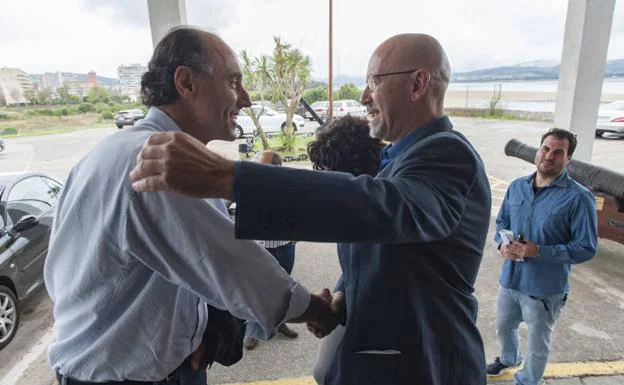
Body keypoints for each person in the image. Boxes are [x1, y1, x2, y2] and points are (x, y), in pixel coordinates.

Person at [130, 33, 492, 385]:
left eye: (373, 81)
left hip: (421, 369)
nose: (364, 96)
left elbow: (385, 209)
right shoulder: (399, 158)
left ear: (418, 84)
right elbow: (385, 247)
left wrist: (231, 178)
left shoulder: (446, 154)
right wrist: (342, 295)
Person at [44, 27, 339, 385]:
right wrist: (317, 309)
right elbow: (239, 271)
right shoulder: (157, 165)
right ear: (185, 83)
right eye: (234, 82)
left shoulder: (109, 151)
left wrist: (194, 331)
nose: (245, 99)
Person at [486, 128, 598, 385]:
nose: (549, 156)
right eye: (545, 148)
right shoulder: (517, 187)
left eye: (558, 152)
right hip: (510, 280)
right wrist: (501, 245)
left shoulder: (579, 198)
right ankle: (508, 358)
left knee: (538, 344)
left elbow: (586, 247)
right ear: (538, 151)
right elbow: (502, 221)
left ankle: (527, 381)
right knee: (504, 327)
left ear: (568, 158)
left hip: (544, 289)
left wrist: (538, 251)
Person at [306, 115, 385, 384]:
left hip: (386, 324)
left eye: (329, 171)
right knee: (323, 372)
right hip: (353, 300)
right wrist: (339, 295)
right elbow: (353, 265)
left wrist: (339, 307)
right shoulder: (349, 207)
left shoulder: (382, 206)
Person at [243, 150, 300, 350]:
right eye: (257, 162)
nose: (257, 167)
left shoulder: (287, 187)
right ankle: (252, 329)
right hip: (258, 249)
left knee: (284, 289)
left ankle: (280, 323)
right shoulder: (249, 187)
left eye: (263, 164)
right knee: (255, 289)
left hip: (283, 248)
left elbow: (300, 210)